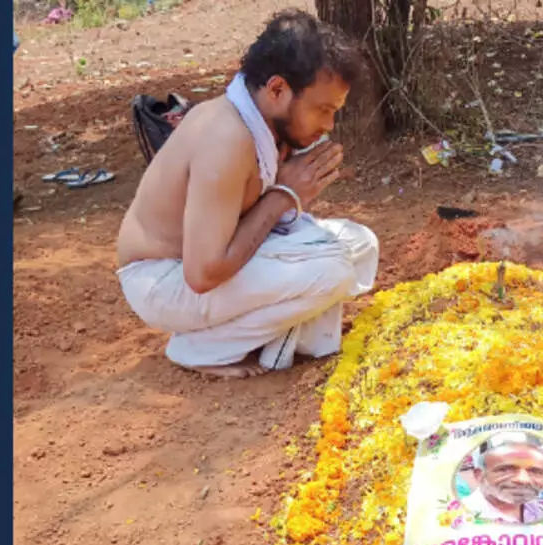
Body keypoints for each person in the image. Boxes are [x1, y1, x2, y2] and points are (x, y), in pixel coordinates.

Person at [114, 11, 379, 378]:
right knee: (331, 270)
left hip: (205, 271)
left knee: (360, 244)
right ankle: (201, 349)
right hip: (165, 282)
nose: (328, 125)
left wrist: (287, 192)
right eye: (323, 110)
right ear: (276, 90)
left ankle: (278, 340)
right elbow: (204, 274)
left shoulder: (262, 124)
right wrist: (284, 194)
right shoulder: (226, 136)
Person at [466, 434, 543, 525]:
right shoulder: (462, 517)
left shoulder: (537, 511)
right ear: (479, 475)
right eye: (506, 470)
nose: (523, 479)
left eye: (535, 471)